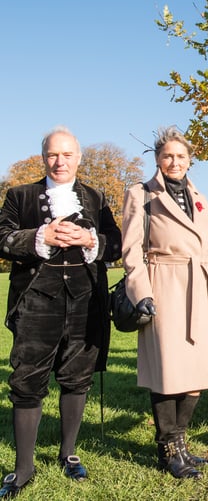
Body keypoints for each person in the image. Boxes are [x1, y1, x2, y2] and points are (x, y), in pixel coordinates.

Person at [0, 126, 122, 498]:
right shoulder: (20, 196)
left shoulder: (96, 197)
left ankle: (68, 453)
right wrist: (41, 237)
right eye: (53, 154)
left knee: (77, 377)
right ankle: (23, 468)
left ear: (78, 159)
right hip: (37, 299)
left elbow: (115, 245)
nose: (60, 161)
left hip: (86, 300)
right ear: (43, 158)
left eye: (67, 155)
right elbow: (2, 238)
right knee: (27, 381)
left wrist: (90, 240)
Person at [121, 126, 208, 480]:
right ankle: (168, 448)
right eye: (168, 156)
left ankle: (179, 441)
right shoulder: (141, 194)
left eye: (181, 156)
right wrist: (141, 292)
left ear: (190, 160)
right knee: (168, 371)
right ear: (158, 159)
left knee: (197, 371)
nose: (174, 162)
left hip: (199, 288)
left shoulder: (200, 198)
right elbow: (131, 250)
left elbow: (207, 248)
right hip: (163, 286)